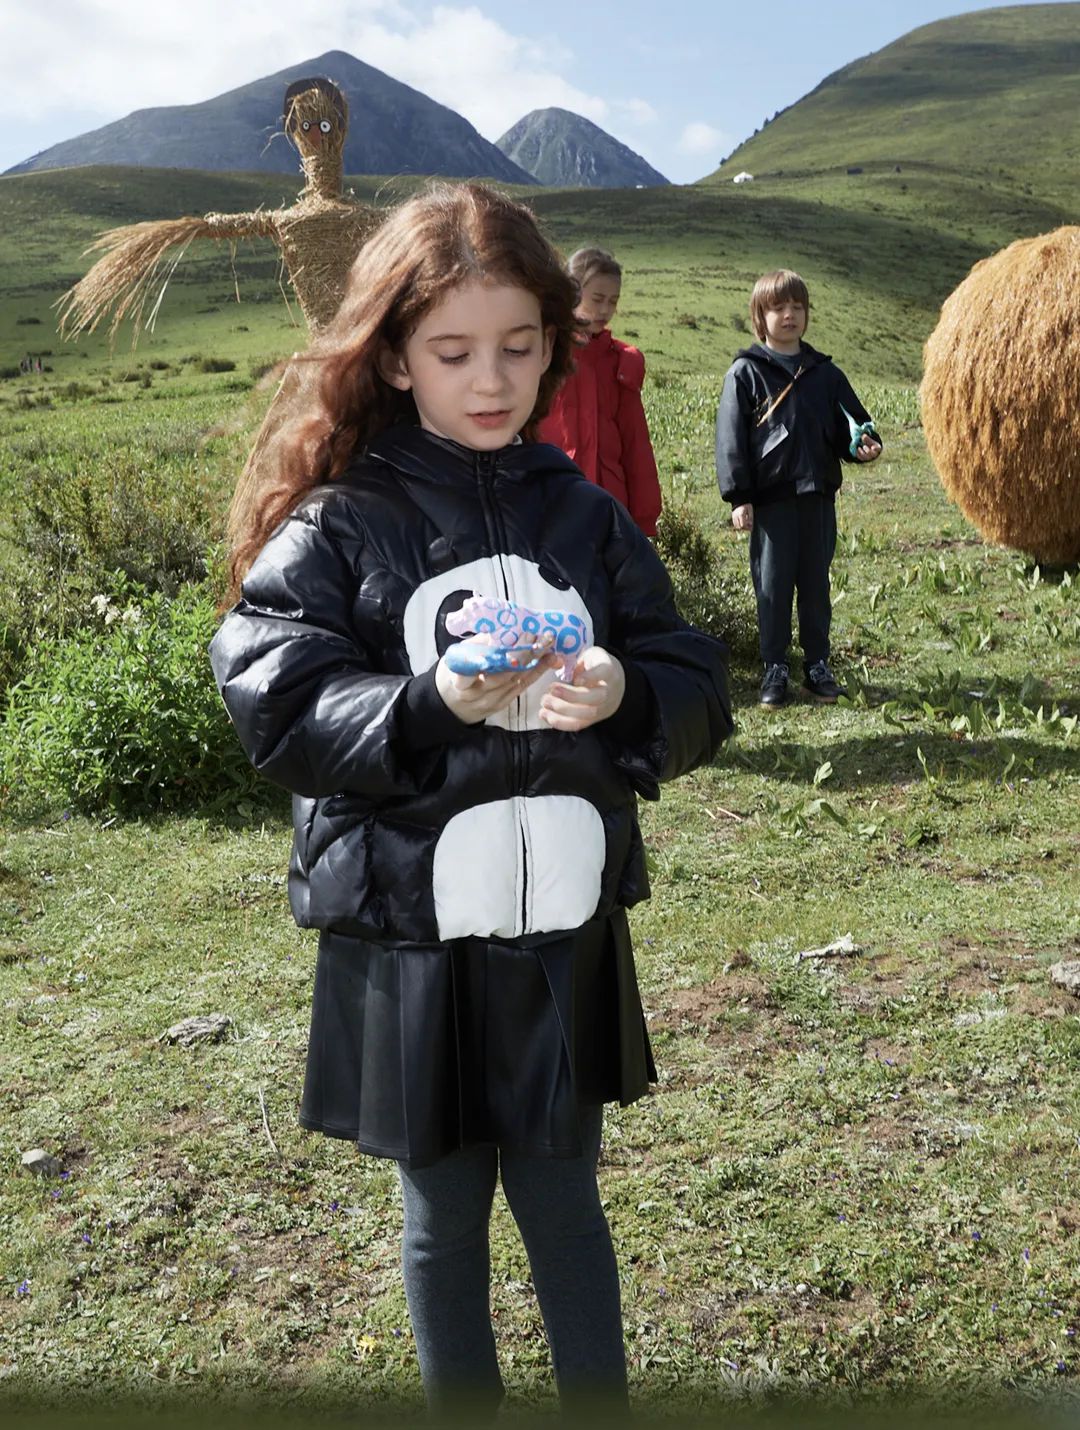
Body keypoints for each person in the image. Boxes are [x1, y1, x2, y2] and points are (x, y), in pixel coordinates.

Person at [209, 183, 731, 1417]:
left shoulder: (583, 515)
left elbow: (693, 672)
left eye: (518, 346)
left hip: (563, 929)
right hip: (412, 941)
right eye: (452, 351)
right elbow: (274, 702)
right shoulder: (342, 520)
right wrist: (430, 702)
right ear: (393, 354)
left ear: (555, 342)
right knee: (443, 1217)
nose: (489, 379)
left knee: (565, 1202)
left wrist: (625, 690)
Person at [715, 269, 882, 708]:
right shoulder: (745, 373)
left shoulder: (826, 374)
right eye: (778, 307)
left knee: (815, 585)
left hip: (818, 498)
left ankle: (817, 666)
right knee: (771, 587)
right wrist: (739, 497)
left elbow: (854, 425)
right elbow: (731, 439)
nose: (789, 315)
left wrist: (864, 446)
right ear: (760, 315)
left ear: (807, 313)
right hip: (769, 503)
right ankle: (774, 668)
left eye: (797, 307)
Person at [538, 247, 663, 537]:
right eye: (597, 299)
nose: (605, 310)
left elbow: (636, 445)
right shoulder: (542, 354)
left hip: (609, 506)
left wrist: (644, 519)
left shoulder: (622, 364)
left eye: (613, 301)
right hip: (550, 500)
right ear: (570, 291)